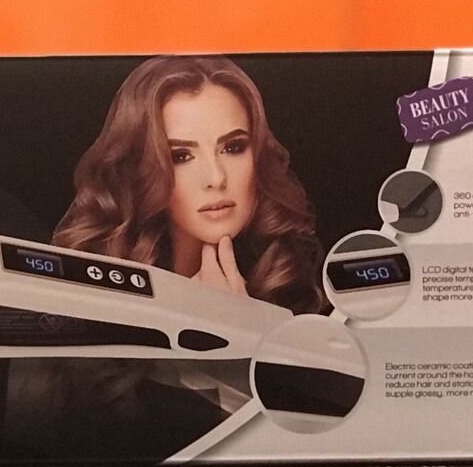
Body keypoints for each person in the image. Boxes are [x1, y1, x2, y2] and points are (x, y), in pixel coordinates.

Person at [54, 55, 326, 314]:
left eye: (233, 148)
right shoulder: (92, 295)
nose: (216, 178)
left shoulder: (290, 281)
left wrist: (248, 323)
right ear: (139, 169)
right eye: (181, 156)